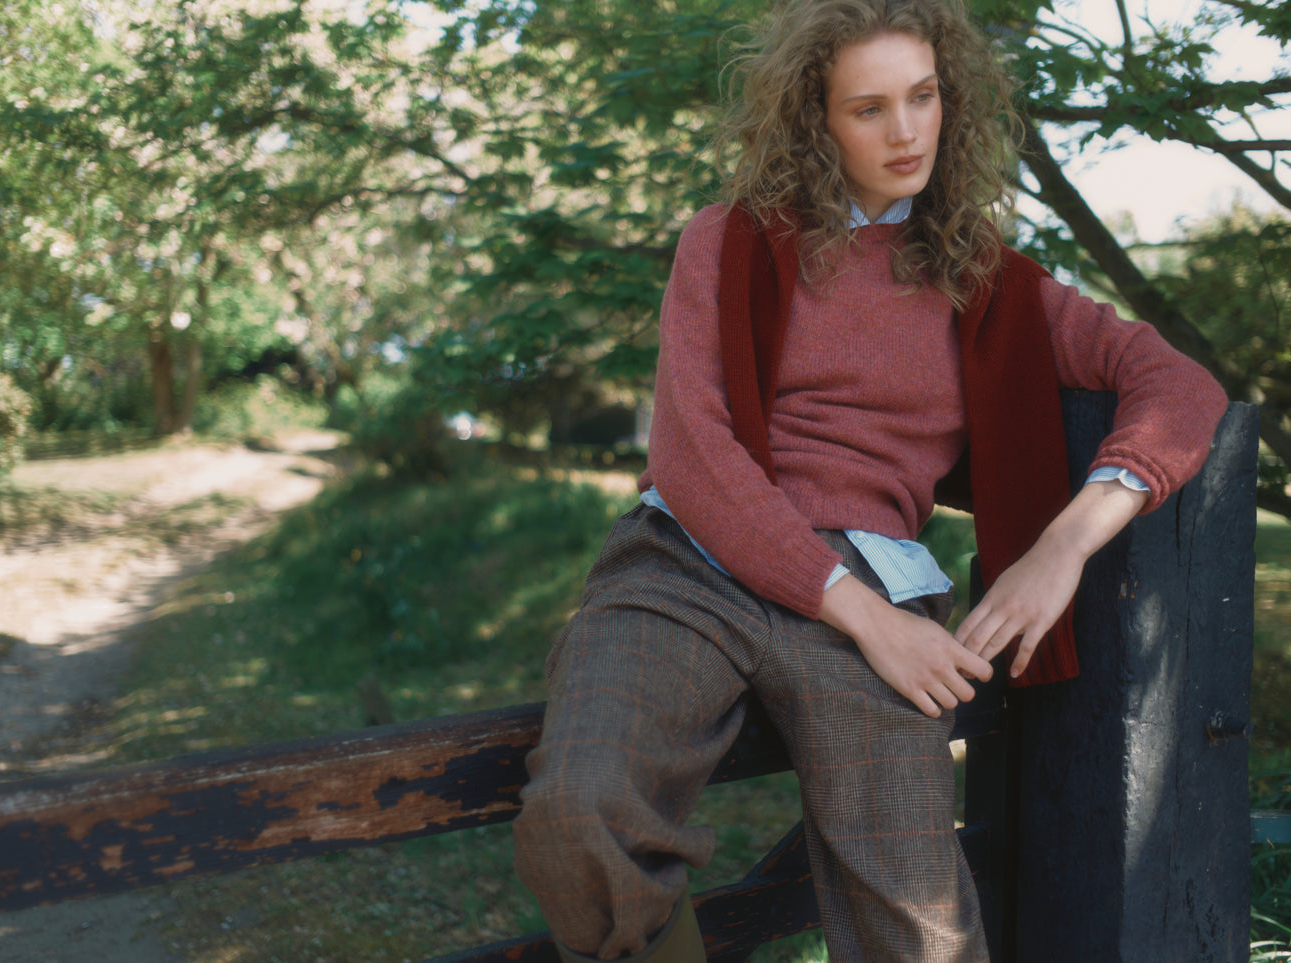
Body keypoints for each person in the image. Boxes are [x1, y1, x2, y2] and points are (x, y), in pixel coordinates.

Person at [512, 0, 1228, 960]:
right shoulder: (725, 241)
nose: (905, 131)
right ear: (814, 120)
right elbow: (693, 457)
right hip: (690, 565)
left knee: (922, 925)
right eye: (868, 108)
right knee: (578, 806)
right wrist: (857, 610)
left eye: (924, 96)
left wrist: (1060, 549)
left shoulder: (988, 279)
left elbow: (1180, 386)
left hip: (875, 575)